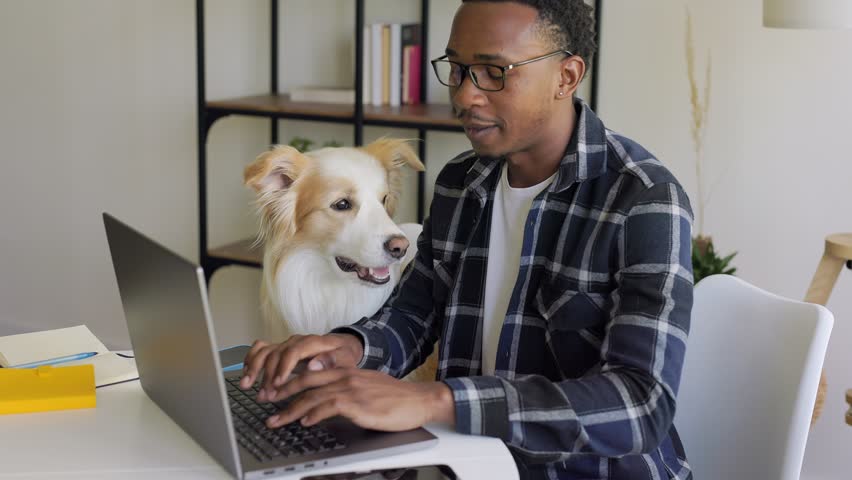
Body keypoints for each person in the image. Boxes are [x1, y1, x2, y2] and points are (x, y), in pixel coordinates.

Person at [241, 1, 694, 478]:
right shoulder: (462, 180)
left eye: (494, 72)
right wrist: (347, 348)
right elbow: (414, 314)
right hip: (468, 463)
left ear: (567, 76)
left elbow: (640, 404)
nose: (465, 96)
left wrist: (437, 400)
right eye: (456, 69)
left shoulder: (643, 199)